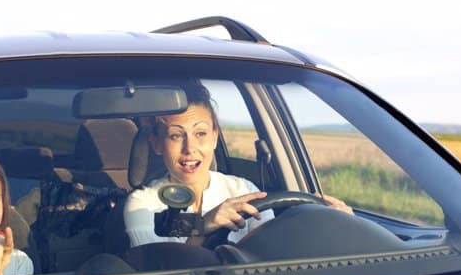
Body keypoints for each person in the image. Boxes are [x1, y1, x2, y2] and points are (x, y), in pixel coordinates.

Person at [124, 82, 354, 248]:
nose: (190, 148)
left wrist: (329, 225)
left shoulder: (243, 191)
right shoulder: (142, 204)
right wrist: (203, 226)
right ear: (156, 144)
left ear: (215, 137)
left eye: (201, 133)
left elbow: (270, 251)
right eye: (175, 136)